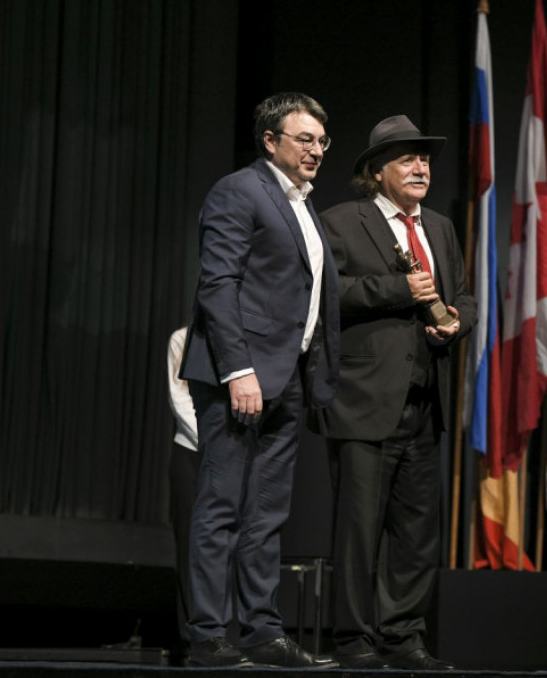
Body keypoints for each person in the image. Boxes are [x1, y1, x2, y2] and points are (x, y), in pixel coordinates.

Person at [178, 92, 340, 669]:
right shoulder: (239, 190)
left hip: (288, 376)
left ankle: (262, 631)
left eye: (322, 141)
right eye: (304, 139)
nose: (316, 150)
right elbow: (218, 284)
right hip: (239, 376)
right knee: (221, 505)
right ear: (270, 140)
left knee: (267, 512)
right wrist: (238, 370)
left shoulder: (304, 205)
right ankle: (207, 634)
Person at [314, 115, 474, 670]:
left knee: (417, 533)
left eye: (424, 159)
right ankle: (354, 641)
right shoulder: (341, 222)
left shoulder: (440, 228)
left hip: (425, 402)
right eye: (407, 159)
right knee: (358, 532)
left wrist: (458, 322)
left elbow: (464, 296)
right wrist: (396, 289)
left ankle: (402, 637)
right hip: (363, 399)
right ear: (377, 172)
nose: (420, 168)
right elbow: (325, 293)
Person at [166, 326, 200, 664]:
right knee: (190, 546)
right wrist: (214, 441)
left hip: (230, 454)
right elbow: (180, 398)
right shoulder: (182, 338)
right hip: (191, 452)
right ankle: (192, 637)